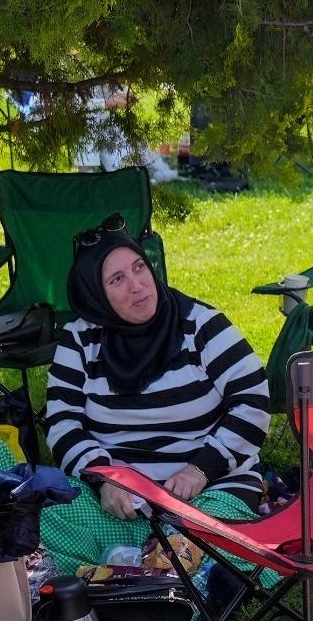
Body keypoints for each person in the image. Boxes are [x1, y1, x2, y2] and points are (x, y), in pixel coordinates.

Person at [39, 224, 272, 573]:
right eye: (117, 280)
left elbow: (253, 402)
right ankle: (144, 570)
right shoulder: (80, 341)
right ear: (94, 295)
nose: (137, 285)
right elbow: (61, 423)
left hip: (209, 493)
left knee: (209, 545)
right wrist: (105, 479)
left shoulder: (201, 325)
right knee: (46, 517)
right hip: (120, 503)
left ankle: (141, 575)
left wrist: (201, 469)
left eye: (139, 267)